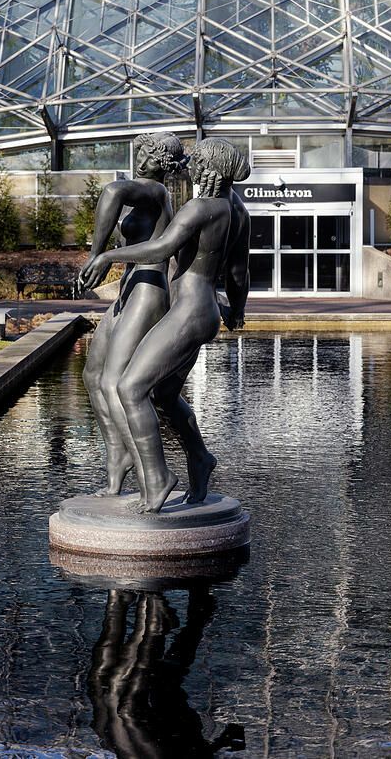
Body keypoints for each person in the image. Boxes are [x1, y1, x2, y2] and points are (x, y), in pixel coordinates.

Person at [79, 138, 250, 513]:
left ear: (209, 169)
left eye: (196, 161)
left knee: (130, 387)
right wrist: (236, 311)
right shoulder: (238, 209)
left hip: (189, 312)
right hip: (205, 310)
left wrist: (107, 255)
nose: (190, 167)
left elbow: (161, 249)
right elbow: (239, 272)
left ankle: (156, 479)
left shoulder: (200, 208)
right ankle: (200, 458)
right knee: (164, 395)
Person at [79, 132, 182, 499]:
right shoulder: (146, 195)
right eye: (140, 153)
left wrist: (97, 255)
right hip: (129, 288)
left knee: (114, 383)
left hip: (147, 291)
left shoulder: (156, 192)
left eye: (150, 156)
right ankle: (118, 454)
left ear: (164, 166)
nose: (141, 161)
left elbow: (111, 192)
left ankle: (154, 475)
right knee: (93, 376)